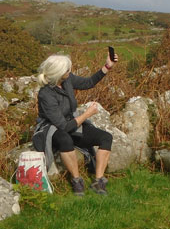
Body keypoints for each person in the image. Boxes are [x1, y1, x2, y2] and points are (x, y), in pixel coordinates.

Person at [33, 50, 118, 196]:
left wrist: (107, 67)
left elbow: (89, 82)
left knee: (106, 137)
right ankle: (77, 181)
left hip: (71, 122)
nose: (70, 71)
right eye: (67, 69)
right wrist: (87, 114)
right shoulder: (45, 94)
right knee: (65, 139)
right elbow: (63, 127)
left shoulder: (68, 79)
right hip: (53, 127)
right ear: (58, 73)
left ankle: (98, 181)